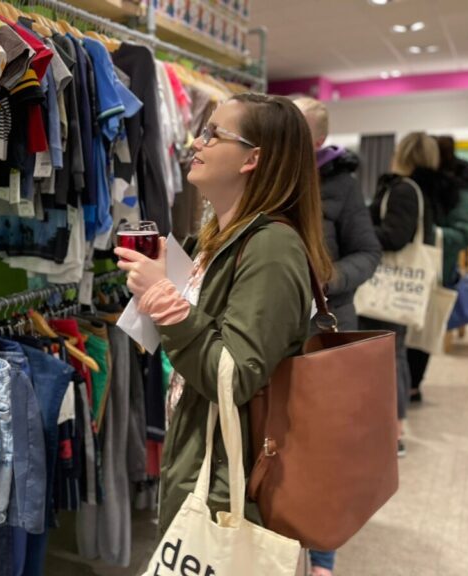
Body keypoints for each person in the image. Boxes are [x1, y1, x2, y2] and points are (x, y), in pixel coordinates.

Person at [114, 94, 332, 541]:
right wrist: (160, 282)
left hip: (229, 479)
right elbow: (174, 338)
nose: (196, 141)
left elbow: (233, 376)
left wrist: (162, 295)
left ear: (253, 158)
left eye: (214, 133)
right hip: (202, 456)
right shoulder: (211, 240)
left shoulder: (272, 247)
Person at [294, 97, 381, 576]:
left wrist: (329, 277)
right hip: (273, 330)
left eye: (295, 128)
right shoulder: (261, 176)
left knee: (323, 444)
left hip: (324, 330)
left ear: (318, 140)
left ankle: (323, 557)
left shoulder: (342, 184)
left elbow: (368, 252)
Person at [359, 132, 439, 458]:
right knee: (392, 354)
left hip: (388, 290)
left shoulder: (404, 190)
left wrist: (360, 232)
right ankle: (391, 429)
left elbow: (396, 235)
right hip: (396, 293)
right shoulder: (418, 190)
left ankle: (394, 431)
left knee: (388, 356)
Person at [406, 136, 468, 403]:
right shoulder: (412, 187)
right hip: (412, 270)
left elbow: (466, 233)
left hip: (437, 272)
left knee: (425, 329)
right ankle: (405, 384)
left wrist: (431, 234)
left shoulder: (453, 192)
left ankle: (413, 385)